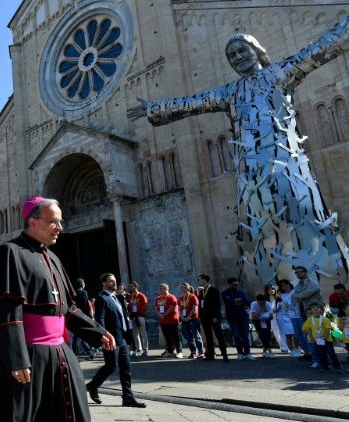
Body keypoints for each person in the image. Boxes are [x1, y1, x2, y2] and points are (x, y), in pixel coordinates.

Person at [128, 16, 349, 283]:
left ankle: (328, 280)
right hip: (252, 176)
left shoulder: (279, 73)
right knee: (257, 231)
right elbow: (192, 103)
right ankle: (271, 288)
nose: (237, 57)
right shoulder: (231, 92)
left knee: (306, 217)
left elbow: (319, 49)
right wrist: (153, 108)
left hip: (288, 166)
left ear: (257, 51)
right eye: (231, 55)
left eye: (242, 50)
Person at [0, 196, 114, 422]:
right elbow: (6, 312)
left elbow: (67, 307)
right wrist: (17, 359)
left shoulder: (52, 257)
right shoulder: (10, 252)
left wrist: (96, 331)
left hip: (61, 353)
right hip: (30, 357)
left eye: (60, 222)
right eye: (54, 221)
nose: (60, 228)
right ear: (33, 221)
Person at [86, 273, 146, 408]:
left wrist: (128, 333)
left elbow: (123, 316)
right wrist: (103, 337)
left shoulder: (117, 298)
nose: (114, 283)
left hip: (123, 338)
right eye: (111, 281)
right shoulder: (102, 298)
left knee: (126, 368)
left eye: (115, 281)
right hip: (111, 339)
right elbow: (100, 319)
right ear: (104, 283)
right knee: (111, 366)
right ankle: (92, 386)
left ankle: (128, 398)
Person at [302, 303, 343, 374]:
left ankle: (337, 368)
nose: (315, 309)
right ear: (311, 310)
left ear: (321, 310)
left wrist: (325, 337)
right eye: (313, 307)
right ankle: (325, 367)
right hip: (317, 340)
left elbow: (328, 328)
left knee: (331, 354)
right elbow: (308, 329)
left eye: (318, 307)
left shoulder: (325, 319)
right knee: (321, 354)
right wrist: (311, 338)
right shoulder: (309, 319)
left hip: (327, 340)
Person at [292, 265, 321, 363]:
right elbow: (293, 297)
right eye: (296, 272)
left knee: (317, 335)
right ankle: (312, 356)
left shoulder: (312, 283)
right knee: (307, 336)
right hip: (303, 313)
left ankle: (321, 358)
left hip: (313, 312)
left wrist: (299, 296)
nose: (298, 274)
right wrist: (299, 296)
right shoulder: (297, 285)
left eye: (300, 272)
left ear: (305, 272)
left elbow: (310, 292)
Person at [197, 274, 229, 361]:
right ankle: (210, 354)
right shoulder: (201, 292)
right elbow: (200, 305)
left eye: (200, 279)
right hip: (204, 317)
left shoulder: (214, 290)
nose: (199, 281)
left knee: (219, 335)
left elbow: (217, 304)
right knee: (208, 336)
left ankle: (224, 354)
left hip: (213, 317)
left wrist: (215, 316)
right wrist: (199, 316)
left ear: (204, 280)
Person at [222, 277, 255, 360]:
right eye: (234, 284)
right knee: (236, 336)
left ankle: (247, 353)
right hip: (232, 317)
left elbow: (247, 302)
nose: (236, 286)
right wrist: (237, 301)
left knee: (245, 335)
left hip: (243, 316)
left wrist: (235, 301)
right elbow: (228, 302)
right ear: (229, 284)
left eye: (237, 284)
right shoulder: (224, 293)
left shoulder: (241, 292)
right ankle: (240, 353)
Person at [279, 279, 307, 359]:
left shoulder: (294, 291)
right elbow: (285, 306)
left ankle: (306, 351)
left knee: (303, 334)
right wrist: (288, 314)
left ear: (289, 284)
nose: (284, 287)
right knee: (297, 334)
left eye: (285, 284)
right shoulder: (283, 296)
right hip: (291, 316)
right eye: (282, 286)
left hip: (300, 315)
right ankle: (301, 351)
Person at [156, 283, 182, 358]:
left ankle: (179, 351)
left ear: (166, 289)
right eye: (160, 288)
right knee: (167, 337)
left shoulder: (171, 297)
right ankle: (170, 351)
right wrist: (159, 315)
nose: (160, 290)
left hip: (172, 321)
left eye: (161, 288)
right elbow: (156, 307)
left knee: (176, 337)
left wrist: (164, 315)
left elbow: (172, 307)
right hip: (163, 321)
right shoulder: (159, 298)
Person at [179, 283, 204, 359]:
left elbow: (195, 308)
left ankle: (201, 352)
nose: (182, 289)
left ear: (187, 288)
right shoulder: (181, 298)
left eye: (183, 288)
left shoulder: (192, 297)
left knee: (196, 335)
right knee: (188, 336)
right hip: (184, 319)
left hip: (193, 319)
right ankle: (193, 351)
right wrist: (182, 316)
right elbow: (179, 308)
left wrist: (189, 316)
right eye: (181, 288)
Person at [250, 294, 276, 359]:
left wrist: (266, 316)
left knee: (267, 335)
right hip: (257, 320)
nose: (262, 304)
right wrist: (259, 311)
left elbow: (271, 317)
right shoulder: (254, 304)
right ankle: (270, 351)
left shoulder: (268, 304)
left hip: (266, 320)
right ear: (257, 301)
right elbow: (253, 317)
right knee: (262, 334)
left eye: (263, 302)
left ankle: (264, 352)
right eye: (260, 302)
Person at [128, 280, 149, 356]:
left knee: (143, 333)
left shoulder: (141, 295)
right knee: (135, 334)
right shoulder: (130, 296)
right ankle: (139, 348)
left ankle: (145, 349)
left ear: (136, 286)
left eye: (131, 286)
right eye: (130, 286)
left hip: (140, 316)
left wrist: (143, 314)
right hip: (133, 317)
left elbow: (146, 306)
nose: (130, 288)